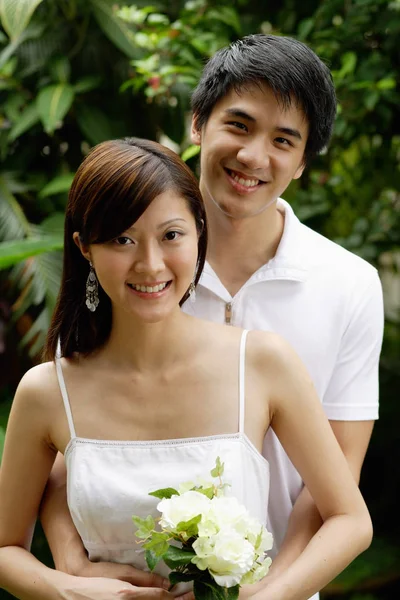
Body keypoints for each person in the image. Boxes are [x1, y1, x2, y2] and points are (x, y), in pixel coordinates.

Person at [39, 34, 384, 600]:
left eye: (283, 140)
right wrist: (72, 564)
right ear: (198, 122)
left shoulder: (348, 285)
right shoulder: (142, 269)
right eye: (239, 126)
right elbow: (67, 428)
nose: (253, 157)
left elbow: (336, 482)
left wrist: (269, 588)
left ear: (302, 163)